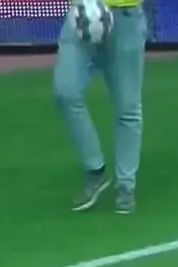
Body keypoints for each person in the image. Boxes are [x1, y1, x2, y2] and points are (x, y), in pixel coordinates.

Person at [53, 0, 147, 214]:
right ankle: (96, 169)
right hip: (82, 12)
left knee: (128, 106)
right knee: (65, 91)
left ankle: (126, 185)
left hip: (125, 15)